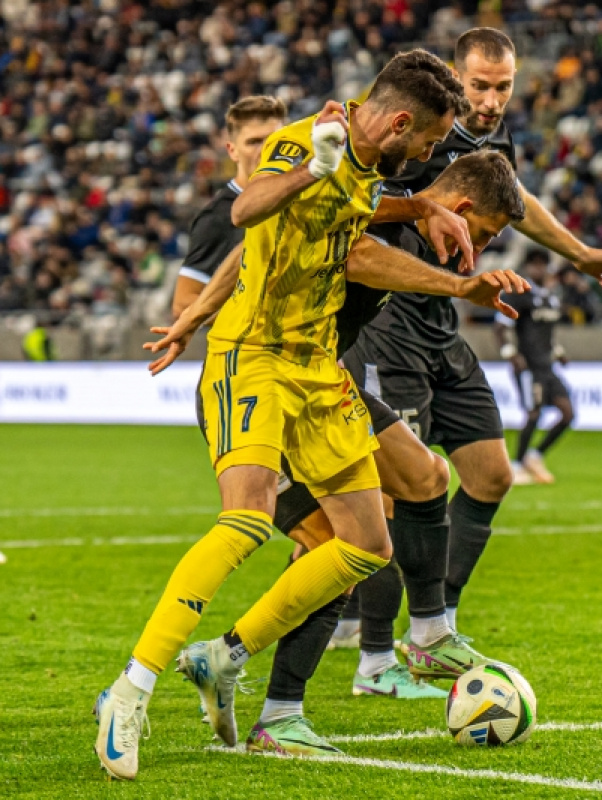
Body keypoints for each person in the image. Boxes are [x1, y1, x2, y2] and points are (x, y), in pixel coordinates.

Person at [93, 49, 473, 781]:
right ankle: (130, 690)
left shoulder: (366, 169)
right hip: (255, 356)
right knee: (245, 519)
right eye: (426, 144)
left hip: (316, 367)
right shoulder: (310, 140)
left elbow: (283, 237)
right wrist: (310, 172)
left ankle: (222, 657)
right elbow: (247, 210)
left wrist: (422, 203)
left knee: (366, 545)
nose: (428, 155)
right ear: (398, 122)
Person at [179, 150, 529, 756]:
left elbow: (256, 250)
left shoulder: (397, 209)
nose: (484, 249)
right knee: (341, 546)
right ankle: (275, 710)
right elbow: (354, 254)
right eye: (487, 235)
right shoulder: (386, 216)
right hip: (273, 389)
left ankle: (427, 633)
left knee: (425, 476)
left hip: (320, 384)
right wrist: (459, 285)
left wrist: (195, 313)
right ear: (464, 209)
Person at [343, 27, 602, 665]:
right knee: (397, 488)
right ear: (455, 77)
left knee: (492, 473)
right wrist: (420, 208)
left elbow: (516, 200)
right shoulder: (414, 129)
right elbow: (351, 204)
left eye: (503, 87)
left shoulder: (490, 137)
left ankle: (436, 624)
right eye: (479, 85)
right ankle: (374, 654)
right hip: (388, 325)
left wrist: (580, 253)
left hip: (444, 320)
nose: (492, 99)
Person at [172, 96, 287, 316]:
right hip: (251, 348)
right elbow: (184, 302)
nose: (266, 150)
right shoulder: (218, 217)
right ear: (232, 150)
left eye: (275, 139)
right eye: (254, 142)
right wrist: (261, 319)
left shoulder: (303, 196)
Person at [495, 250, 574, 485]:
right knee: (534, 413)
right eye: (534, 264)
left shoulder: (551, 297)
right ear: (528, 267)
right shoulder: (519, 294)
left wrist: (558, 352)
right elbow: (500, 327)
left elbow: (546, 334)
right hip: (528, 366)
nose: (538, 269)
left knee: (568, 413)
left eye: (543, 264)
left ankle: (534, 455)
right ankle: (517, 465)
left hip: (547, 365)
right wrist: (510, 353)